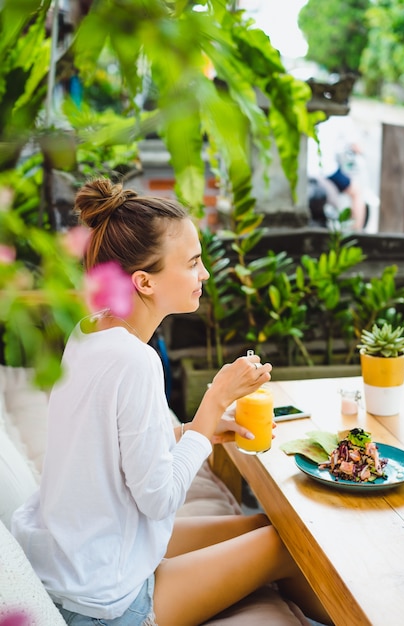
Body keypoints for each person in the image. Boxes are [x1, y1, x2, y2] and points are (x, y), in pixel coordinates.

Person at [11, 178, 331, 626]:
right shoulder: (136, 361)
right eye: (193, 263)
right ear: (143, 281)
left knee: (265, 526)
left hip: (79, 556)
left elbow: (109, 444)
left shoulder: (87, 330)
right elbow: (159, 499)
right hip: (104, 600)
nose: (203, 274)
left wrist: (184, 432)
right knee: (289, 545)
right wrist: (213, 402)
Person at [308, 115, 367, 230]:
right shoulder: (341, 117)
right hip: (326, 171)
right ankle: (356, 233)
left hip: (306, 169)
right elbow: (357, 146)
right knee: (357, 192)